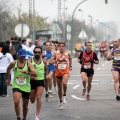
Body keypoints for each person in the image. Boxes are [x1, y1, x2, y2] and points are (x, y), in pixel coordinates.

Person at [6, 48, 37, 120]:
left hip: (26, 86)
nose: (23, 58)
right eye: (21, 56)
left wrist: (27, 72)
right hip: (16, 85)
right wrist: (8, 78)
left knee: (25, 105)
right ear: (18, 55)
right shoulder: (14, 63)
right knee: (16, 101)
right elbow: (8, 68)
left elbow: (35, 74)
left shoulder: (28, 63)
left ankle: (24, 118)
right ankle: (18, 117)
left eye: (24, 56)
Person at [50, 41, 72, 110]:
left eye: (63, 46)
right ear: (58, 47)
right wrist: (52, 61)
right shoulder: (56, 53)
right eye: (60, 46)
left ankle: (64, 94)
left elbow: (70, 59)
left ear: (64, 47)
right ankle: (60, 101)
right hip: (58, 72)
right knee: (59, 88)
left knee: (64, 83)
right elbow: (51, 60)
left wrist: (70, 66)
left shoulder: (67, 53)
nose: (61, 47)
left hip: (65, 71)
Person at [30, 46, 47, 120]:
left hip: (40, 81)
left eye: (38, 52)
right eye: (35, 52)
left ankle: (37, 115)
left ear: (41, 53)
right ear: (33, 53)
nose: (37, 53)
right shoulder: (30, 61)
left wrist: (46, 77)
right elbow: (27, 70)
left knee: (38, 96)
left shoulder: (44, 61)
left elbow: (46, 69)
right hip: (32, 81)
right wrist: (31, 75)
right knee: (32, 100)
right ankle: (37, 113)